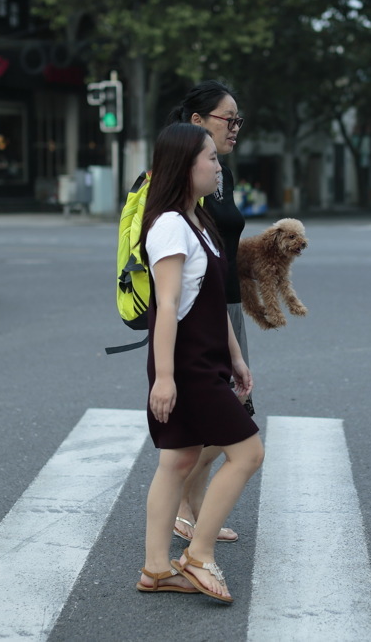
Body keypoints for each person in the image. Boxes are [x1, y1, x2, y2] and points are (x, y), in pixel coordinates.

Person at [136, 123, 264, 603]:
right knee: (248, 453)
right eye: (210, 158)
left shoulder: (198, 222)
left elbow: (211, 298)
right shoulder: (170, 224)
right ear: (185, 167)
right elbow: (167, 305)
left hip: (207, 358)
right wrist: (165, 378)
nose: (218, 166)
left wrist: (236, 357)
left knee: (178, 459)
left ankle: (156, 569)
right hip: (186, 364)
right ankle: (198, 554)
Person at [163, 80, 252, 545]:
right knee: (228, 416)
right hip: (202, 313)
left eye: (238, 120)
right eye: (228, 119)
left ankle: (192, 506)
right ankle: (180, 505)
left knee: (230, 411)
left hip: (229, 306)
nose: (235, 127)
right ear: (197, 121)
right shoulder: (185, 179)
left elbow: (222, 245)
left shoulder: (222, 176)